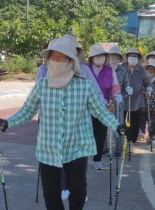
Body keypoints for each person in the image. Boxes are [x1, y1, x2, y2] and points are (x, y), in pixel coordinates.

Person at [0, 37, 129, 210]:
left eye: (62, 57)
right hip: (48, 148)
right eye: (54, 57)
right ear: (48, 60)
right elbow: (27, 111)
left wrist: (118, 127)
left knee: (79, 191)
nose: (57, 61)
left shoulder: (84, 86)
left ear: (71, 60)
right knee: (51, 195)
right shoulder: (42, 86)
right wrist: (6, 123)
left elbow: (101, 111)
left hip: (77, 146)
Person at [36, 35, 103, 202]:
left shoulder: (84, 71)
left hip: (78, 125)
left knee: (78, 164)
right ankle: (63, 187)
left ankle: (79, 190)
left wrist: (103, 107)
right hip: (52, 125)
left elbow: (96, 92)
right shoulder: (43, 70)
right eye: (56, 54)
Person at [87, 44, 120, 170]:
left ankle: (97, 159)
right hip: (87, 106)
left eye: (101, 55)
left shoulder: (109, 70)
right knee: (86, 131)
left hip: (103, 105)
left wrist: (116, 96)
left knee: (100, 133)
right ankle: (83, 156)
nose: (99, 58)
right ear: (91, 57)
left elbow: (114, 86)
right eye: (96, 55)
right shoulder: (85, 69)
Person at [121, 48, 152, 150]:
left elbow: (148, 82)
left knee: (135, 123)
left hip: (137, 102)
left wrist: (148, 89)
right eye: (131, 55)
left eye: (135, 56)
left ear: (138, 58)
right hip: (123, 101)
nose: (133, 58)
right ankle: (123, 141)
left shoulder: (141, 69)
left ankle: (132, 142)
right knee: (123, 123)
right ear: (127, 57)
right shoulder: (121, 68)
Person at [108, 45, 129, 158]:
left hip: (119, 103)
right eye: (112, 55)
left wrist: (124, 94)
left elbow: (127, 86)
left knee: (120, 126)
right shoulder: (105, 68)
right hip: (105, 102)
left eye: (116, 56)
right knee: (104, 126)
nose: (113, 58)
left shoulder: (123, 71)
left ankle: (118, 149)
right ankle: (104, 149)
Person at [140, 63, 155, 144]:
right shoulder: (143, 80)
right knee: (142, 122)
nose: (150, 71)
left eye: (152, 69)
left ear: (154, 71)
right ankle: (144, 133)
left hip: (154, 105)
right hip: (143, 105)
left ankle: (151, 136)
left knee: (153, 122)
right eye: (148, 69)